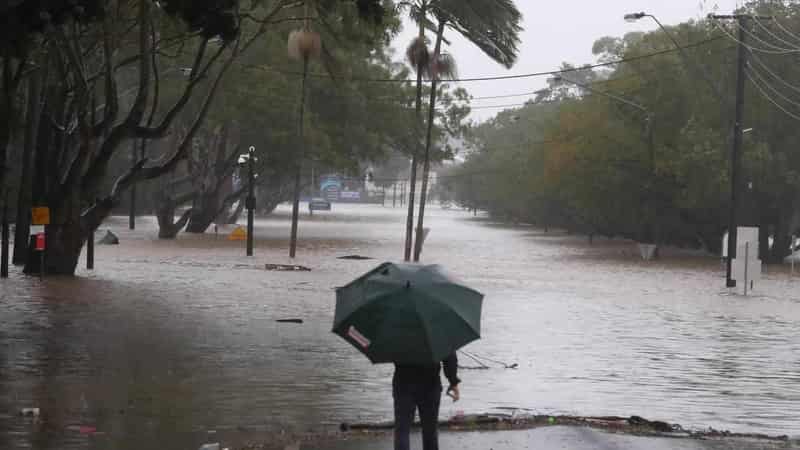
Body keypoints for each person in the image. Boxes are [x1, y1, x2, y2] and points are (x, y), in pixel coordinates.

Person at [393, 353, 460, 450]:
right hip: (430, 383)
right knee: (430, 430)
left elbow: (391, 354)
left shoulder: (397, 337)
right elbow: (449, 355)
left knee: (402, 430)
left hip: (403, 383)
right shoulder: (437, 337)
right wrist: (453, 381)